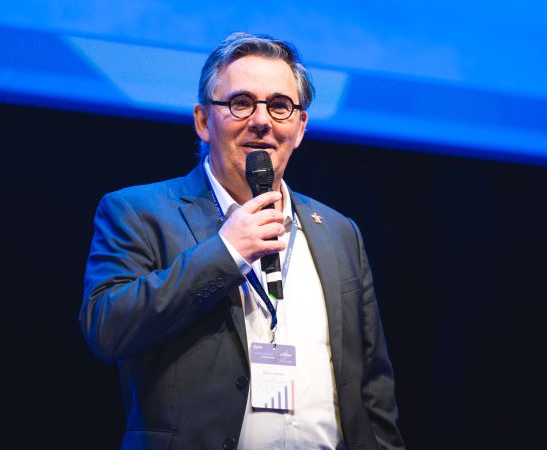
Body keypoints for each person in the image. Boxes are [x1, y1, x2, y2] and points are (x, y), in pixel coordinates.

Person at [79, 32, 404, 450]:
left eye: (280, 106)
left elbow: (374, 391)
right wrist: (226, 252)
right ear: (203, 121)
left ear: (300, 127)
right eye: (241, 103)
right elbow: (107, 328)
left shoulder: (339, 232)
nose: (262, 120)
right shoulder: (139, 212)